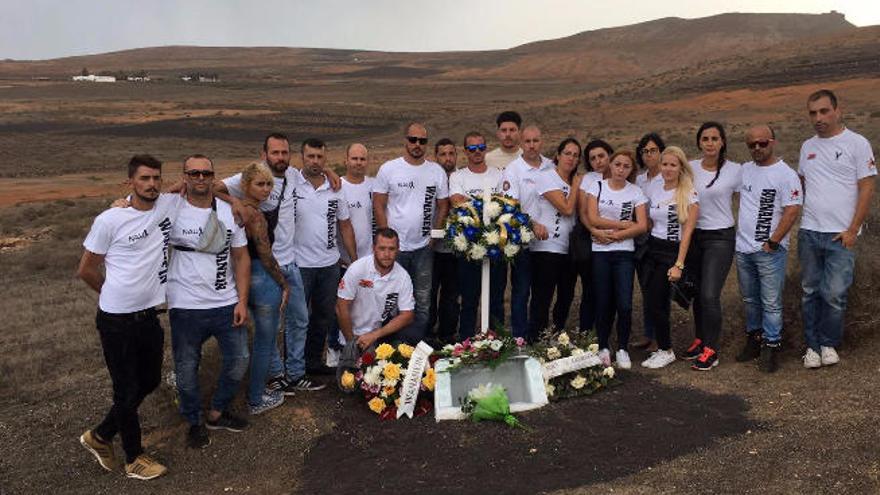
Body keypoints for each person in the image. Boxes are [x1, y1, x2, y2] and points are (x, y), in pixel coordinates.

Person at [77, 154, 180, 480]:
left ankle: (100, 435)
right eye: (144, 179)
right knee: (125, 389)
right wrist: (113, 295)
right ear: (130, 182)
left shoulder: (166, 204)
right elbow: (86, 269)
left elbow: (195, 182)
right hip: (117, 321)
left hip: (148, 316)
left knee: (149, 380)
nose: (151, 184)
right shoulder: (110, 219)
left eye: (156, 178)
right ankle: (134, 458)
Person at [219, 133, 329, 395]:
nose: (280, 157)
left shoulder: (292, 174)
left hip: (290, 263)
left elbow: (315, 172)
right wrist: (235, 201)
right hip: (264, 268)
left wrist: (332, 176)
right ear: (264, 154)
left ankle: (295, 373)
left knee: (299, 319)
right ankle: (275, 375)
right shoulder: (254, 174)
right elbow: (212, 186)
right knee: (270, 326)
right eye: (275, 152)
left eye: (284, 152)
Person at [166, 154, 250, 447]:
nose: (200, 178)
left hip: (225, 301)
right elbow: (139, 199)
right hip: (185, 305)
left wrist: (241, 300)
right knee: (187, 368)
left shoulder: (228, 211)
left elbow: (241, 257)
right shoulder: (171, 206)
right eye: (193, 173)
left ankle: (217, 411)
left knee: (239, 360)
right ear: (184, 176)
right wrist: (120, 203)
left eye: (206, 174)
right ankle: (193, 420)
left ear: (213, 177)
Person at [798, 89, 876, 368]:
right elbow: (803, 185)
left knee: (833, 294)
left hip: (841, 234)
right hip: (809, 232)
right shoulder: (807, 146)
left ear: (837, 110)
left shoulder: (857, 143)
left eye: (823, 111)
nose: (818, 118)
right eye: (813, 113)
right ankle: (812, 347)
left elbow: (867, 187)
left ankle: (828, 343)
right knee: (809, 291)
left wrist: (853, 228)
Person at [733, 125, 802, 373]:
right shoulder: (744, 171)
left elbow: (792, 209)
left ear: (772, 142)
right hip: (743, 249)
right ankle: (754, 339)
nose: (757, 148)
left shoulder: (786, 174)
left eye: (762, 143)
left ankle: (772, 346)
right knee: (750, 299)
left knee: (771, 302)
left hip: (770, 250)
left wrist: (773, 241)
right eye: (752, 144)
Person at [373, 122, 450, 343]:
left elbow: (443, 204)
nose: (417, 144)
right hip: (395, 250)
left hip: (423, 248)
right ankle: (391, 347)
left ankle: (417, 343)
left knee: (423, 299)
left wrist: (435, 234)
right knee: (392, 298)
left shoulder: (435, 171)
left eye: (422, 141)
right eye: (413, 140)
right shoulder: (389, 168)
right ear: (405, 140)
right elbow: (378, 203)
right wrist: (384, 238)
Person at [294, 138, 357, 376]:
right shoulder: (292, 182)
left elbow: (345, 226)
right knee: (298, 319)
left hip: (329, 264)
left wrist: (354, 260)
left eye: (320, 157)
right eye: (310, 156)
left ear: (325, 158)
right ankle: (294, 367)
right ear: (302, 157)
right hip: (300, 265)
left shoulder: (335, 188)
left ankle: (312, 362)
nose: (315, 161)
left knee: (322, 317)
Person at [684, 122, 742, 371]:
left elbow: (745, 200)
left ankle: (712, 349)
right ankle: (700, 339)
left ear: (722, 142)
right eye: (705, 138)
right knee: (696, 291)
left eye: (715, 138)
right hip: (694, 235)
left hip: (720, 236)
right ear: (699, 142)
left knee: (709, 293)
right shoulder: (691, 168)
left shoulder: (735, 170)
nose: (710, 143)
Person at [585, 150, 647, 369]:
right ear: (610, 165)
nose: (621, 169)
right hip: (600, 252)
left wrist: (616, 236)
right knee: (603, 301)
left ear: (631, 170)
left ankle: (622, 348)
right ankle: (603, 346)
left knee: (625, 303)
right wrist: (623, 225)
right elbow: (592, 217)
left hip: (624, 253)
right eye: (617, 164)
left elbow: (642, 225)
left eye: (626, 166)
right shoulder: (598, 186)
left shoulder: (636, 191)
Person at [237, 161, 290, 415]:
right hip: (262, 277)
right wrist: (282, 281)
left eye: (269, 183)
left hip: (244, 277)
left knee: (261, 340)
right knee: (265, 341)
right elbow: (265, 253)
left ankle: (257, 390)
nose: (266, 189)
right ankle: (256, 399)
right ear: (245, 185)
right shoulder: (254, 215)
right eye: (260, 183)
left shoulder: (235, 209)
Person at [641, 146, 699, 369]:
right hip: (653, 249)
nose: (667, 168)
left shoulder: (688, 193)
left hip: (672, 252)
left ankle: (666, 350)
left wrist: (679, 264)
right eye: (664, 164)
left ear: (680, 167)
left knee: (657, 300)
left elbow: (688, 233)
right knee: (653, 301)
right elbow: (650, 222)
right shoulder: (656, 189)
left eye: (673, 165)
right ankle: (662, 347)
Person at [449, 131, 506, 338]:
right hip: (469, 247)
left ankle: (497, 342)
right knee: (469, 300)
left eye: (481, 148)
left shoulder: (498, 174)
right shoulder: (458, 176)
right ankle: (465, 343)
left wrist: (472, 203)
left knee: (496, 300)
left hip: (496, 246)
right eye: (472, 148)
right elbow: (456, 202)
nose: (477, 152)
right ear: (465, 151)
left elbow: (502, 204)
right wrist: (485, 206)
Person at [500, 125, 554, 338]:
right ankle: (519, 337)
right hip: (523, 241)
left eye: (536, 141)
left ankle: (538, 336)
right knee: (521, 291)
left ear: (542, 142)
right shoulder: (513, 170)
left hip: (549, 242)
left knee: (543, 293)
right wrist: (531, 225)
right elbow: (510, 205)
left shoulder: (551, 166)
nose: (532, 145)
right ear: (521, 143)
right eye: (528, 141)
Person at [527, 138, 583, 341]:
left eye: (576, 155)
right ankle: (535, 339)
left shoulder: (572, 181)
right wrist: (576, 185)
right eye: (567, 153)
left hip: (569, 249)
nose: (571, 158)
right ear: (558, 155)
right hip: (546, 247)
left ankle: (557, 337)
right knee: (543, 297)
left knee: (566, 296)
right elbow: (567, 209)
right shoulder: (547, 177)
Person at [337, 228, 415, 350]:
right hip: (352, 335)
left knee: (411, 336)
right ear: (374, 248)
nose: (387, 254)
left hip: (381, 334)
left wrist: (374, 335)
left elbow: (408, 315)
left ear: (398, 249)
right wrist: (351, 343)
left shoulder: (403, 276)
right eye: (382, 248)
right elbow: (341, 307)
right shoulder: (357, 269)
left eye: (392, 249)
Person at [577, 139, 615, 333]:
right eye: (593, 159)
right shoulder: (589, 179)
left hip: (618, 240)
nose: (598, 161)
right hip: (592, 238)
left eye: (601, 156)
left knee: (613, 290)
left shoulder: (622, 174)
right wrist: (594, 231)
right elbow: (583, 212)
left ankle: (605, 334)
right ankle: (585, 333)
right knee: (591, 288)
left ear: (610, 155)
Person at [633, 132, 666, 351]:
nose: (649, 155)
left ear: (661, 152)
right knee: (645, 287)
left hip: (662, 240)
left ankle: (660, 339)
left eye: (653, 150)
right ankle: (648, 334)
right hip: (642, 240)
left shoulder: (669, 175)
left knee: (658, 290)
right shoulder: (639, 180)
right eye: (645, 151)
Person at [429, 138, 460, 345]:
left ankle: (448, 335)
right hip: (430, 248)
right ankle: (427, 334)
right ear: (436, 156)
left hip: (454, 250)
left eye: (451, 153)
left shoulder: (461, 178)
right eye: (443, 154)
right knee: (428, 294)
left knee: (451, 296)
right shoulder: (429, 177)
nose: (447, 158)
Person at [339, 143, 375, 264]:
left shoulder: (374, 186)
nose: (358, 162)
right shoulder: (336, 186)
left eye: (362, 159)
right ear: (346, 161)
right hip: (344, 260)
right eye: (354, 158)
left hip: (370, 258)